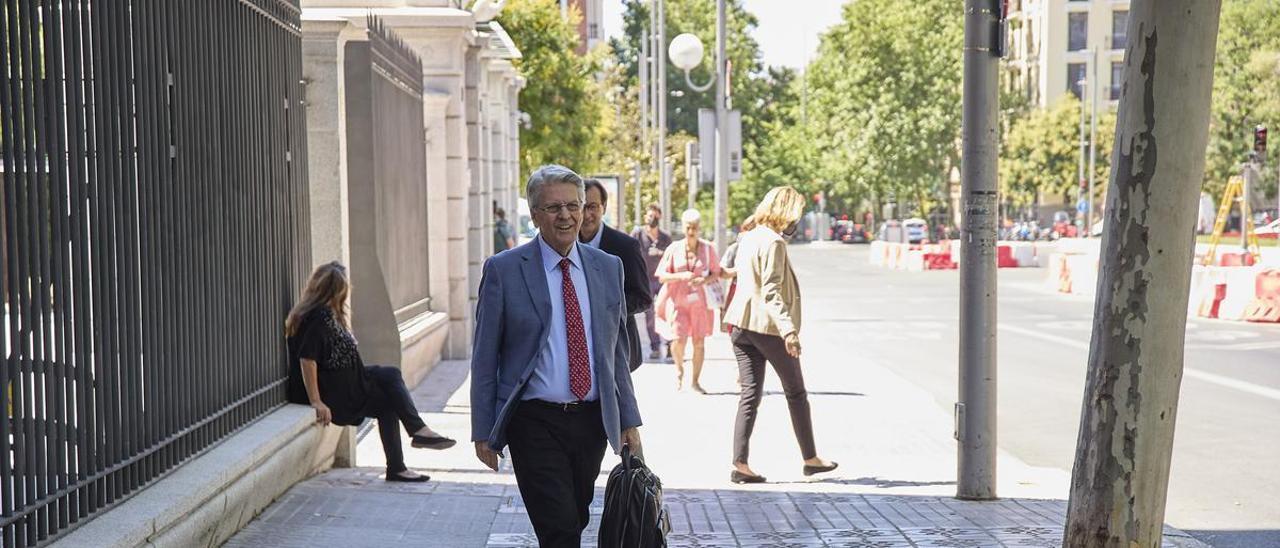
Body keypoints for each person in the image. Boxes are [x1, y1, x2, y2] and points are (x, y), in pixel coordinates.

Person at [471, 165, 643, 547]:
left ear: (584, 209)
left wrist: (628, 421)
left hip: (592, 421)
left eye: (572, 206)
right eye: (553, 208)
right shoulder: (504, 270)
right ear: (534, 215)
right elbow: (485, 356)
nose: (565, 216)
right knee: (560, 529)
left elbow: (616, 353)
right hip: (533, 420)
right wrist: (483, 429)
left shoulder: (607, 268)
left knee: (575, 517)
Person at [285, 262, 456, 483]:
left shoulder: (324, 314)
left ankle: (399, 465)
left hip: (349, 383)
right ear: (337, 290)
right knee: (391, 378)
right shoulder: (318, 318)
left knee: (389, 398)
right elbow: (307, 360)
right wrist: (317, 401)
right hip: (338, 394)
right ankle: (418, 431)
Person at [722, 186, 837, 484]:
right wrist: (789, 331)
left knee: (749, 395)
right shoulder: (774, 242)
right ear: (786, 212)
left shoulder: (748, 236)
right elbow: (771, 290)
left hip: (740, 324)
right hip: (766, 327)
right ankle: (811, 459)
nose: (795, 222)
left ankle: (740, 463)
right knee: (796, 392)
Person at [580, 179, 653, 372]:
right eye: (580, 206)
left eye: (592, 207)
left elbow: (643, 298)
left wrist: (603, 307)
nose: (586, 215)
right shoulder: (564, 245)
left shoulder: (625, 246)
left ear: (603, 207)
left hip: (616, 350)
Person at [655, 209, 722, 394]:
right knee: (678, 340)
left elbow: (717, 272)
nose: (691, 231)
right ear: (683, 228)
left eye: (695, 227)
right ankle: (679, 370)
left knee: (699, 342)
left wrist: (705, 280)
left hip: (700, 303)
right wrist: (680, 275)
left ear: (699, 228)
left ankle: (695, 381)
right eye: (688, 227)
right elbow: (661, 275)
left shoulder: (708, 249)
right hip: (677, 302)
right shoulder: (674, 248)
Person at [632, 205, 673, 361]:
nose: (652, 219)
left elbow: (671, 256)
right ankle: (655, 346)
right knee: (649, 314)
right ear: (645, 217)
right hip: (645, 280)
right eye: (649, 216)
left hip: (662, 279)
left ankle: (669, 345)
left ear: (660, 217)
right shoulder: (638, 234)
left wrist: (660, 253)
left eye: (655, 216)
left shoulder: (665, 237)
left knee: (667, 313)